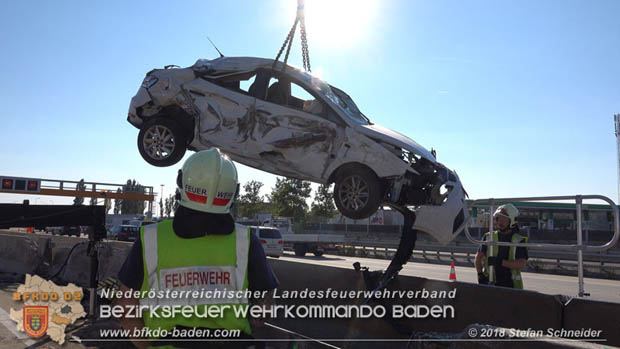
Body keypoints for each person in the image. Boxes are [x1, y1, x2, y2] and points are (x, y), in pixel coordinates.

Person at [116, 148, 278, 348]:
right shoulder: (246, 241)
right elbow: (264, 310)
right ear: (232, 193)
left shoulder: (151, 238)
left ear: (182, 183)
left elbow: (126, 309)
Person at [474, 204, 528, 289]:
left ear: (512, 220)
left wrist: (501, 262)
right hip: (490, 283)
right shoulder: (488, 237)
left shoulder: (518, 240)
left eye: (504, 219)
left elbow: (521, 264)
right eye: (498, 218)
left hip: (512, 287)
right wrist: (480, 274)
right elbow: (478, 257)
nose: (500, 222)